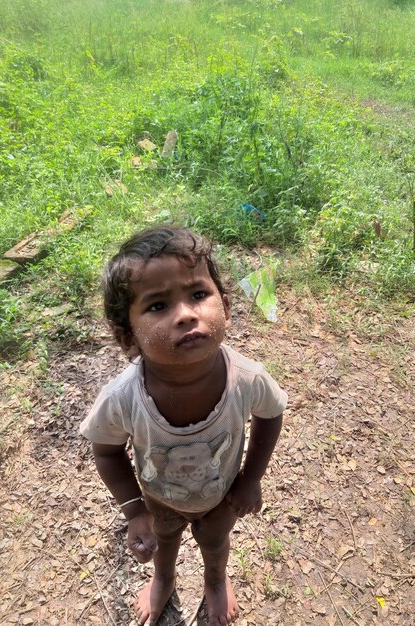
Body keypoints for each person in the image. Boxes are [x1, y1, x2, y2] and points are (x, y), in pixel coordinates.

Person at [80, 226, 287, 626]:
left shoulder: (246, 378)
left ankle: (214, 579)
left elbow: (271, 412)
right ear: (129, 337)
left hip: (223, 494)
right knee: (165, 542)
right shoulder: (123, 397)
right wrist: (134, 510)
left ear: (225, 305)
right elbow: (105, 450)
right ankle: (163, 579)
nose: (186, 314)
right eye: (158, 306)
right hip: (158, 497)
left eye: (198, 294)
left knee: (215, 543)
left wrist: (251, 479)